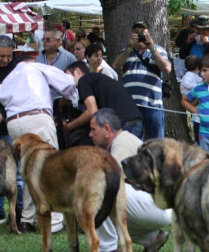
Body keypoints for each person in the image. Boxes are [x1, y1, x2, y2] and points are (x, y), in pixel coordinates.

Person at [0, 56, 78, 234]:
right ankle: (56, 222)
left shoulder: (10, 76)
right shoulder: (36, 68)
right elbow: (67, 83)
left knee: (29, 171)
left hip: (14, 123)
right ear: (32, 61)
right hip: (37, 118)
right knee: (52, 168)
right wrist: (72, 96)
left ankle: (27, 219)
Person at [90, 109, 171, 252]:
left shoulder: (122, 144)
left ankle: (109, 250)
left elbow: (112, 182)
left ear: (107, 129)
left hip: (158, 204)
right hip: (159, 204)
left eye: (93, 129)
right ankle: (153, 238)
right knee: (110, 202)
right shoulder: (121, 141)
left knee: (101, 188)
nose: (90, 134)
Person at [112, 21, 171, 140]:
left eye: (142, 33)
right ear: (130, 35)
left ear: (149, 34)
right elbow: (115, 66)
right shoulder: (126, 51)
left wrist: (152, 48)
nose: (139, 35)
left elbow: (167, 69)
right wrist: (129, 47)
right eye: (136, 32)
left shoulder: (158, 50)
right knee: (132, 141)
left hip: (153, 105)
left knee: (156, 142)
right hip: (131, 106)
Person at [63, 61, 144, 142]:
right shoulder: (98, 79)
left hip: (123, 124)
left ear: (77, 71)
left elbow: (91, 111)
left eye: (66, 76)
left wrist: (69, 126)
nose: (66, 82)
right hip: (137, 121)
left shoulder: (83, 80)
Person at [0, 37, 22, 227]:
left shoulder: (17, 69)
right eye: (1, 56)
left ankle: (19, 213)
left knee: (15, 172)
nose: (5, 60)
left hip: (10, 125)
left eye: (8, 56)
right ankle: (0, 213)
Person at [180, 55, 203, 144]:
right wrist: (197, 87)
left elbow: (201, 80)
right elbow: (186, 84)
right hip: (188, 97)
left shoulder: (193, 75)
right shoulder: (189, 75)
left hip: (193, 99)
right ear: (197, 66)